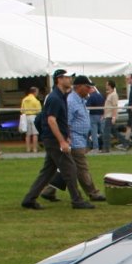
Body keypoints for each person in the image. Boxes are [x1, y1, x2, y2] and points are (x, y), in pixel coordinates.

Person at [20, 69, 94, 210]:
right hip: (54, 139)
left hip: (54, 138)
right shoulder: (55, 98)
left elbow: (62, 120)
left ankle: (29, 199)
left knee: (47, 172)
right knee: (70, 169)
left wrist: (67, 136)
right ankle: (77, 200)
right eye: (67, 77)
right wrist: (61, 141)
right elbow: (51, 120)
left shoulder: (62, 96)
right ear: (59, 79)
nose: (70, 80)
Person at [43, 75, 106, 203]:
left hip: (80, 138)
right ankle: (92, 192)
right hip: (75, 139)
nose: (90, 89)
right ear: (78, 87)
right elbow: (66, 122)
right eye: (87, 87)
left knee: (66, 168)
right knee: (81, 167)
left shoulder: (80, 100)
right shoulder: (71, 101)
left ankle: (49, 190)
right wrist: (67, 139)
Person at [103, 80, 129, 150]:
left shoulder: (114, 95)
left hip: (110, 116)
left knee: (106, 132)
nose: (106, 86)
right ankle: (125, 143)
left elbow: (115, 106)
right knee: (114, 132)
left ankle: (106, 148)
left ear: (110, 86)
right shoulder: (109, 94)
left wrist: (114, 117)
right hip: (107, 115)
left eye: (107, 85)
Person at [20, 86, 42, 153]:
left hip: (26, 117)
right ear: (34, 92)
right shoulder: (36, 100)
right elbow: (39, 110)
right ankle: (35, 149)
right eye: (37, 92)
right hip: (34, 116)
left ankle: (28, 149)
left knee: (28, 134)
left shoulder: (24, 99)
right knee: (35, 133)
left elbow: (22, 110)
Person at [86, 82, 105, 151]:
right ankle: (104, 145)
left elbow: (87, 106)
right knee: (102, 132)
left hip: (93, 115)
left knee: (94, 132)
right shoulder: (100, 96)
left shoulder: (91, 97)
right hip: (101, 115)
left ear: (91, 88)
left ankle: (95, 147)